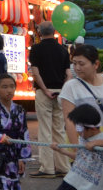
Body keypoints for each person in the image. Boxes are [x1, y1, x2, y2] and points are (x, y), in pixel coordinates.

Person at [58, 45, 103, 158]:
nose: (77, 68)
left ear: (96, 64)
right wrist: (77, 151)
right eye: (74, 64)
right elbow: (69, 121)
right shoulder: (70, 86)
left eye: (81, 64)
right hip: (83, 148)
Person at [28, 21, 71, 178]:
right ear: (54, 32)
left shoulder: (36, 49)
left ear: (39, 32)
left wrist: (45, 90)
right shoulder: (62, 49)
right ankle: (63, 166)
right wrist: (63, 90)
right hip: (60, 92)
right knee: (59, 130)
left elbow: (35, 72)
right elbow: (69, 74)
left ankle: (47, 168)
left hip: (43, 92)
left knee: (45, 130)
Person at [51, 104, 103, 190]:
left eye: (80, 129)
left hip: (89, 186)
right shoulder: (84, 137)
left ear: (92, 129)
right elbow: (80, 157)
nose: (78, 132)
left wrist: (95, 143)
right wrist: (61, 151)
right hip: (71, 180)